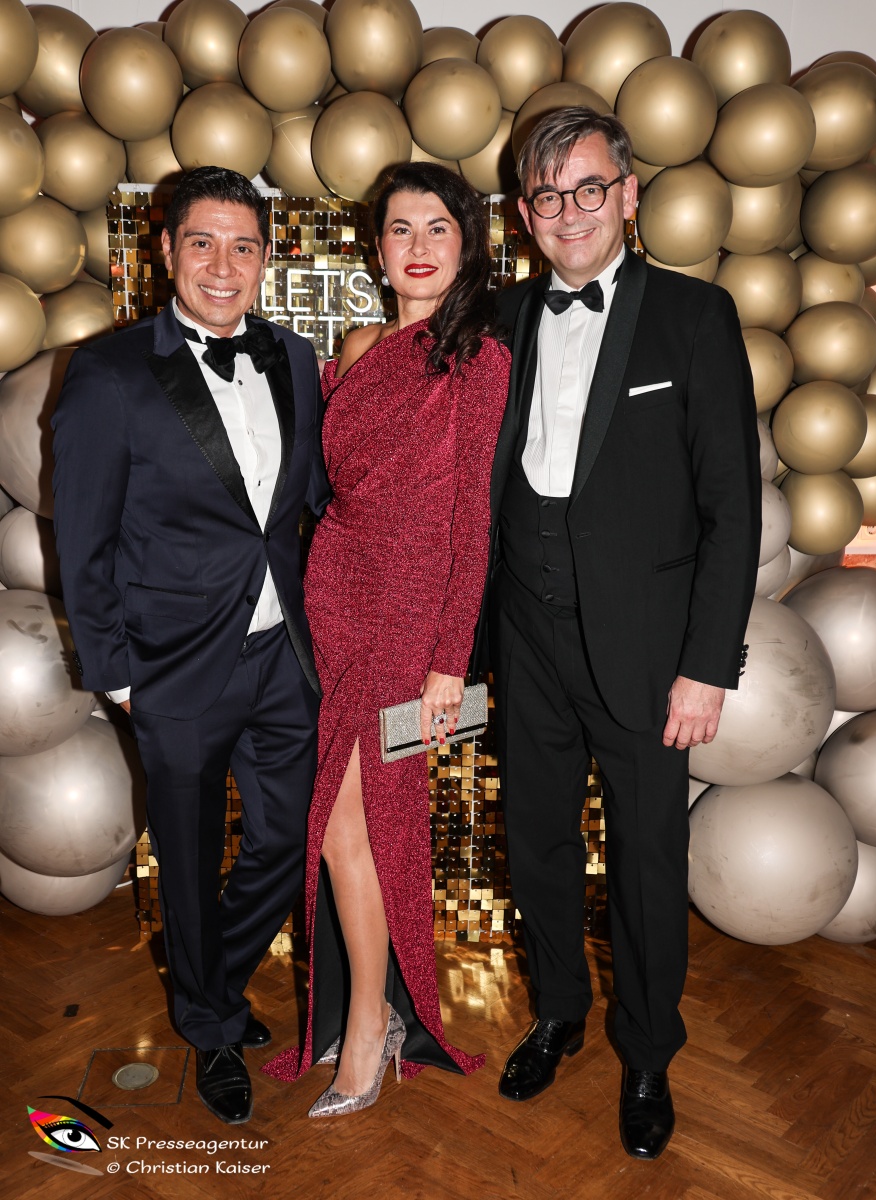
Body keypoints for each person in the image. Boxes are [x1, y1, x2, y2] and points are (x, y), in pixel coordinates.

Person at [483, 108, 760, 1159]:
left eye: (589, 188)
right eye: (548, 196)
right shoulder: (500, 319)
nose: (570, 213)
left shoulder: (694, 315)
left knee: (646, 860)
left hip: (648, 653)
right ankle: (558, 1012)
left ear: (629, 194)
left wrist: (706, 667)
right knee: (537, 843)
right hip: (527, 639)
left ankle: (646, 1052)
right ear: (525, 213)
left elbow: (732, 509)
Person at [52, 166, 328, 1126]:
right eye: (202, 243)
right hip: (171, 666)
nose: (222, 266)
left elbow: (310, 504)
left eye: (243, 246)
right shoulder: (109, 373)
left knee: (289, 839)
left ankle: (210, 975)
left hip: (283, 653)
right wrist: (118, 675)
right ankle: (210, 1024)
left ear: (265, 258)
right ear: (166, 249)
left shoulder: (295, 358)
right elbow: (82, 539)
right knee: (187, 849)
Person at [262, 162, 510, 1116]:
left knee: (344, 827)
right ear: (377, 248)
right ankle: (371, 1013)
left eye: (436, 228)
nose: (417, 246)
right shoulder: (360, 345)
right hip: (333, 596)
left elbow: (472, 525)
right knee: (345, 826)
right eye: (400, 229)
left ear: (466, 242)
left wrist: (450, 660)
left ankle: (370, 1024)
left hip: (411, 615)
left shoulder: (480, 361)